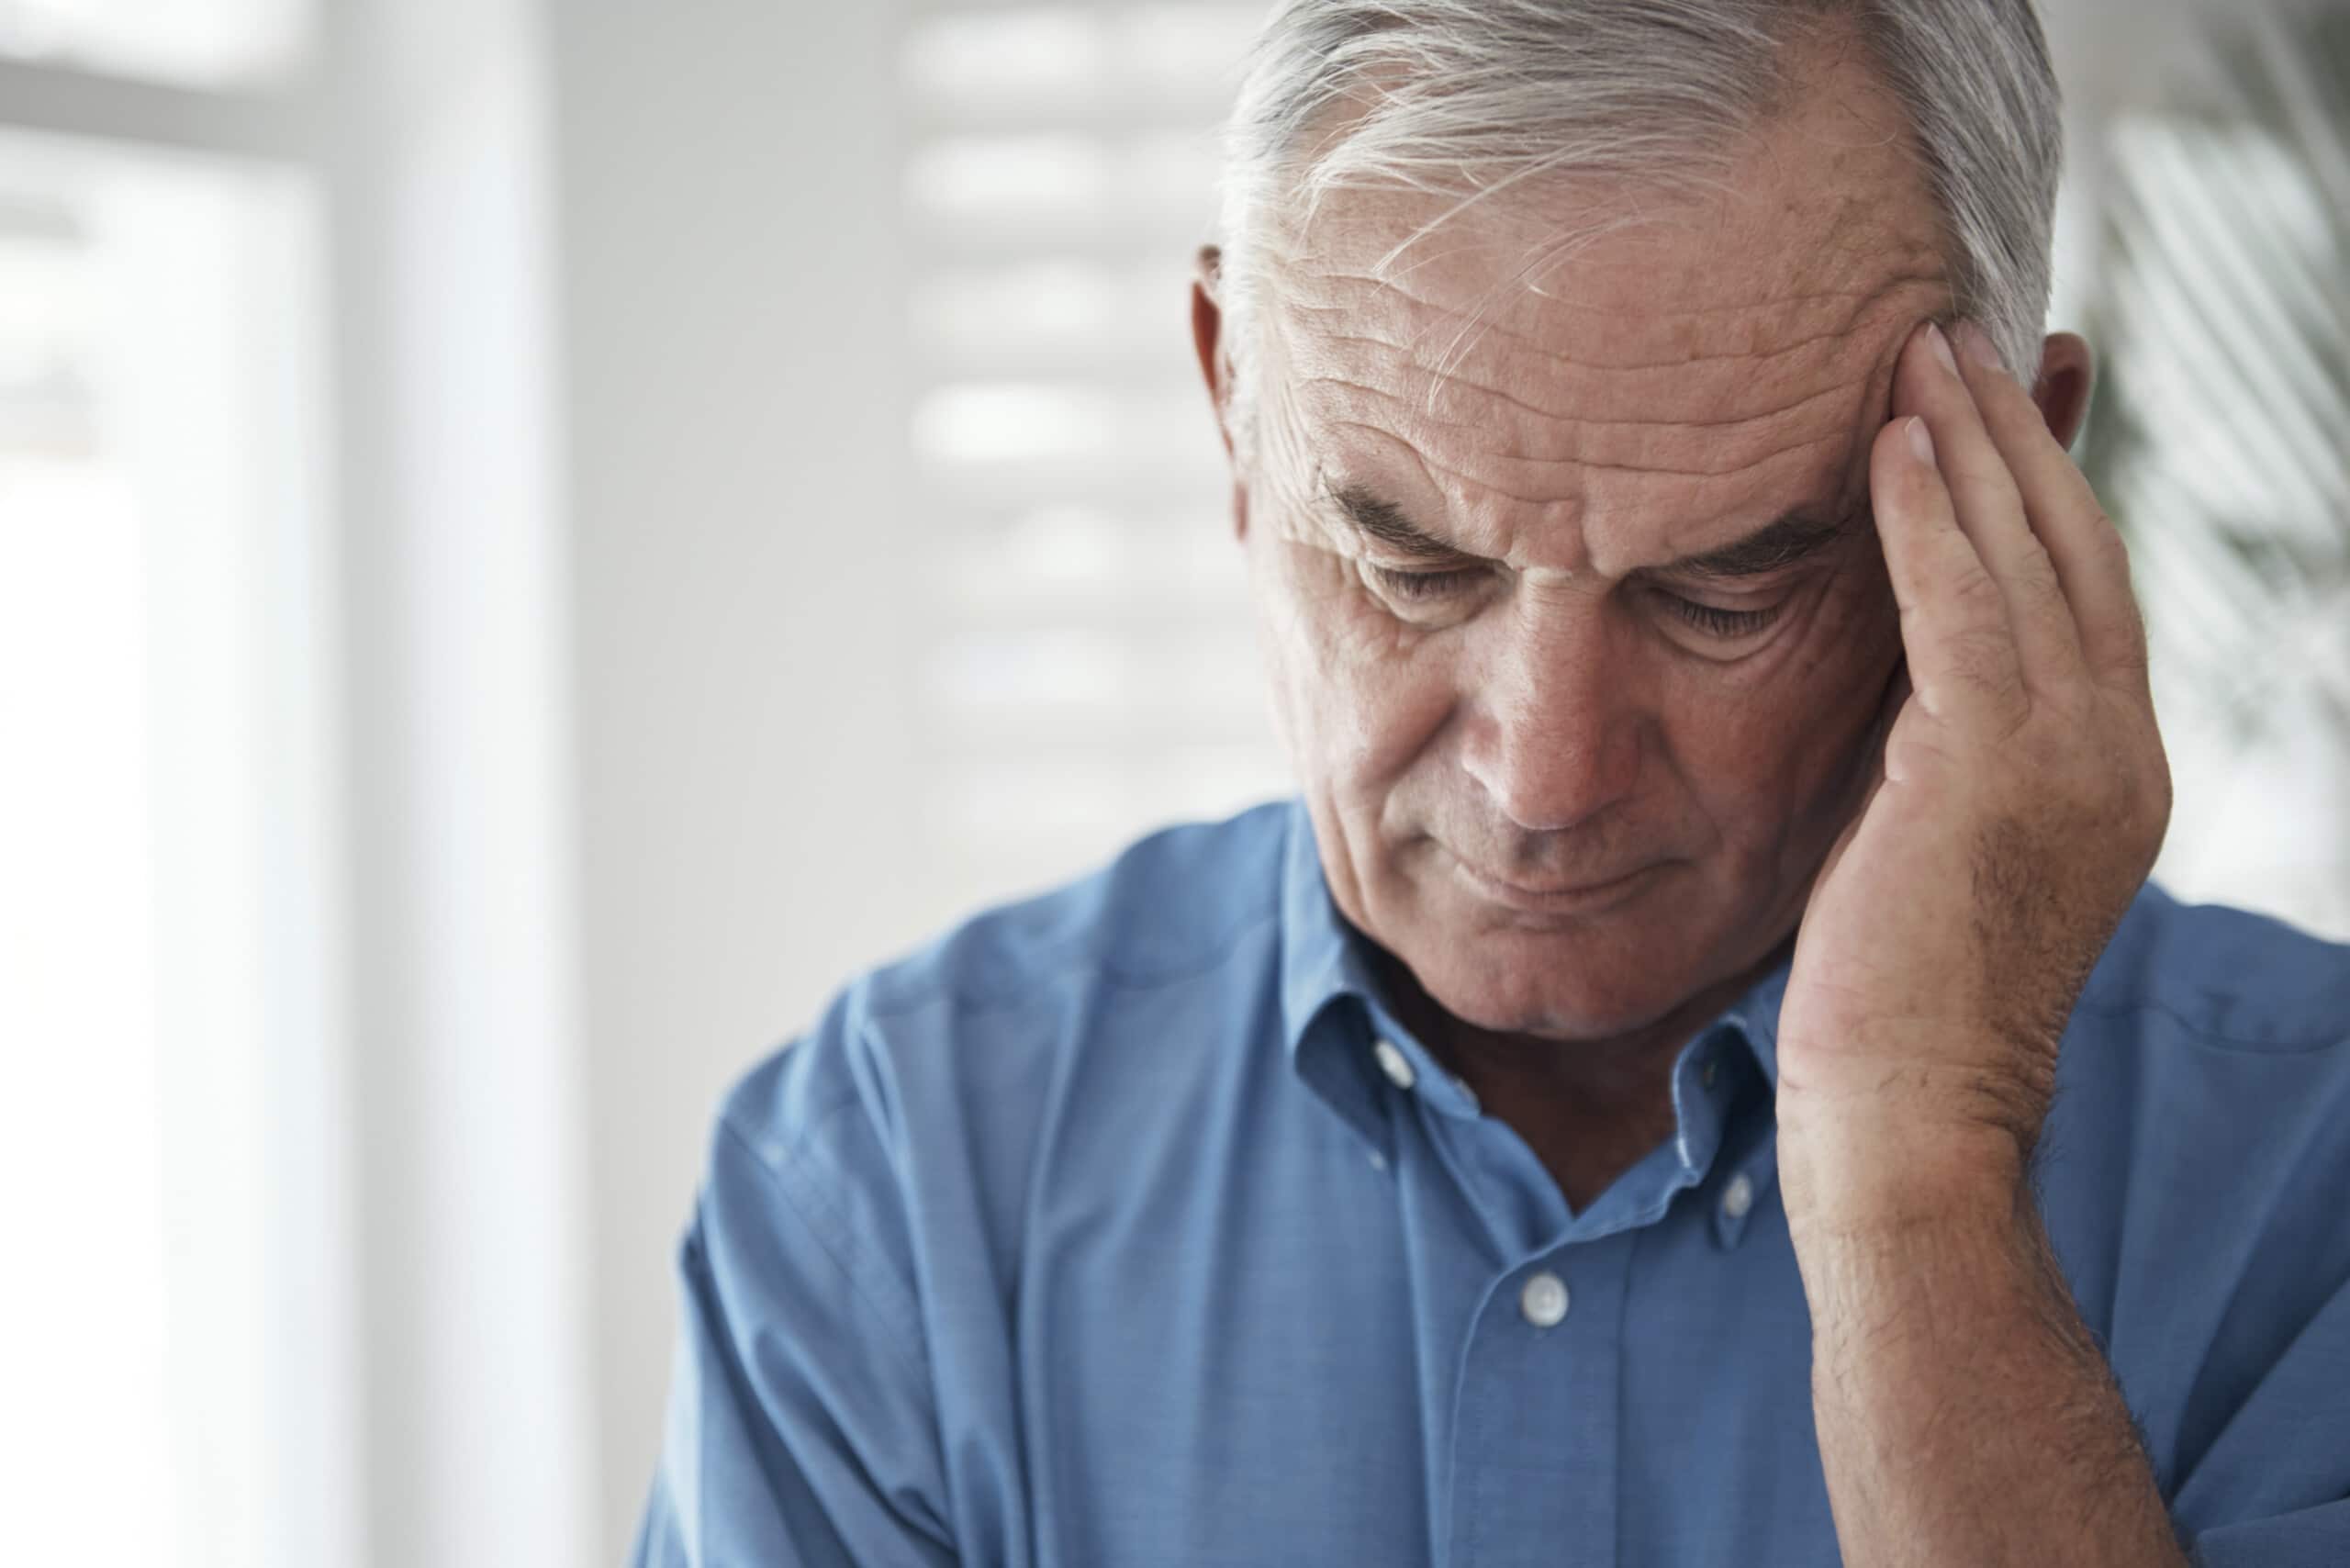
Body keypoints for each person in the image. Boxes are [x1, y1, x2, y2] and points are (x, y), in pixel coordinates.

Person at [632, 3, 2350, 1563]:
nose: (1543, 775)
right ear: (1234, 402)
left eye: (1722, 593)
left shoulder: (2313, 1181)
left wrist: (1919, 1180)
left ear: (2015, 491)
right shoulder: (893, 1186)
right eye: (1409, 565)